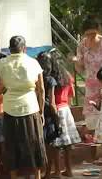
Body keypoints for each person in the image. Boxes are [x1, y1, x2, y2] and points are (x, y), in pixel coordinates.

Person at [0, 36, 47, 179]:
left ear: (10, 49)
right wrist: (41, 112)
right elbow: (41, 90)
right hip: (31, 109)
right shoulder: (33, 63)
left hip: (10, 111)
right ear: (24, 48)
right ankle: (37, 176)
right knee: (34, 144)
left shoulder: (3, 63)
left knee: (12, 146)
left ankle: (14, 177)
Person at [51, 57, 81, 177]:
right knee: (68, 143)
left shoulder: (52, 78)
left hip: (56, 110)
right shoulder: (67, 76)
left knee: (56, 143)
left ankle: (57, 171)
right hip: (66, 110)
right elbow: (72, 94)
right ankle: (69, 170)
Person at [36, 51, 60, 179]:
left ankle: (43, 172)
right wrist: (57, 120)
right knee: (51, 145)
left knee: (42, 145)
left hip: (38, 113)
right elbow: (52, 103)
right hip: (49, 115)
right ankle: (50, 172)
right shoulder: (51, 80)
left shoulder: (35, 78)